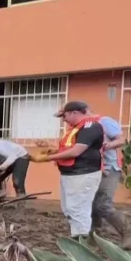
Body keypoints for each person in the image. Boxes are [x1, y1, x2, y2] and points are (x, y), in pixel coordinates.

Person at [31, 101, 104, 241]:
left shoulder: (90, 126)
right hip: (71, 174)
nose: (63, 119)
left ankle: (81, 242)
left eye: (64, 116)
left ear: (74, 113)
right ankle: (77, 237)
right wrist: (52, 150)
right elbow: (68, 150)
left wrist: (47, 158)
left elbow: (76, 152)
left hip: (83, 173)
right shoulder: (76, 129)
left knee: (78, 208)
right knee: (69, 208)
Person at [92, 113, 129, 247]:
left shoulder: (104, 121)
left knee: (103, 205)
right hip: (93, 169)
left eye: (65, 115)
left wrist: (105, 147)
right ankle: (95, 236)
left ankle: (127, 233)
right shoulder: (79, 128)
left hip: (109, 167)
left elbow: (122, 140)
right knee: (91, 204)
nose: (65, 119)